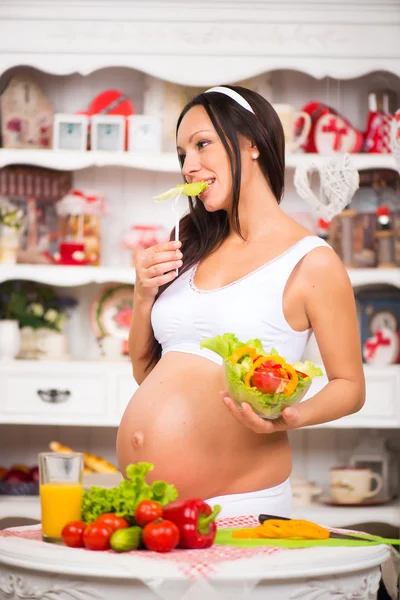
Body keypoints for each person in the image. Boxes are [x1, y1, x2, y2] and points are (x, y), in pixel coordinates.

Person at [116, 85, 365, 518]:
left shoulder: (311, 262)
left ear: (250, 142)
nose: (189, 166)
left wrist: (289, 417)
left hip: (239, 505)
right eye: (181, 155)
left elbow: (350, 387)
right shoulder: (190, 245)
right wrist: (142, 298)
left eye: (202, 144)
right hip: (152, 509)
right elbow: (145, 373)